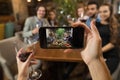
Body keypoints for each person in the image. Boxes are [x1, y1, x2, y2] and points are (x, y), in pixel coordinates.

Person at [17, 21, 112, 80]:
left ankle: (63, 73)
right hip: (33, 46)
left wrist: (94, 59)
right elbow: (24, 34)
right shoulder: (30, 20)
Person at [95, 3, 119, 74]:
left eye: (105, 11)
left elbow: (113, 43)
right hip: (98, 55)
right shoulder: (96, 24)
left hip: (111, 56)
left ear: (110, 12)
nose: (102, 14)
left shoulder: (116, 26)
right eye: (100, 12)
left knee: (103, 74)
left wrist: (99, 51)